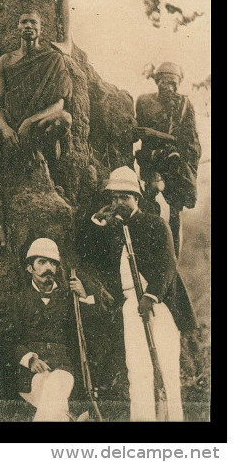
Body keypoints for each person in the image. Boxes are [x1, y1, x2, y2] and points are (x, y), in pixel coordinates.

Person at [78, 166, 196, 421]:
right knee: (137, 370)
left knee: (166, 369)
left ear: (137, 199)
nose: (118, 202)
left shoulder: (155, 224)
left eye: (124, 197)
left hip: (159, 303)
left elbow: (168, 265)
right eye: (114, 197)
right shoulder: (110, 230)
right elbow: (86, 251)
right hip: (131, 305)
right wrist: (95, 222)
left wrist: (150, 296)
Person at [0, 11, 72, 246]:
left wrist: (30, 121)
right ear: (17, 28)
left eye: (33, 22)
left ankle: (46, 166)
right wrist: (6, 129)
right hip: (7, 121)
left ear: (41, 29)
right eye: (24, 22)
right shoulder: (6, 60)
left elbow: (59, 103)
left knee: (64, 119)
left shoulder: (52, 58)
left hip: (36, 124)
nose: (28, 26)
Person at [5, 238, 98, 422]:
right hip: (31, 375)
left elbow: (88, 331)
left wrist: (83, 296)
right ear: (30, 268)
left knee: (55, 384)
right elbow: (7, 339)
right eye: (42, 262)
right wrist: (29, 360)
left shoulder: (68, 298)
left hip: (63, 370)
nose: (49, 268)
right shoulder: (18, 299)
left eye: (53, 263)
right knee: (52, 396)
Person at [135, 62, 201, 256]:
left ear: (178, 84)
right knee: (149, 202)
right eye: (164, 82)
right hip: (151, 160)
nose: (168, 87)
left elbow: (187, 140)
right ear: (157, 81)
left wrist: (155, 134)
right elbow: (137, 129)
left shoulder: (184, 105)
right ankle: (152, 253)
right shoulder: (144, 101)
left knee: (175, 210)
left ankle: (173, 258)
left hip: (175, 162)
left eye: (173, 83)